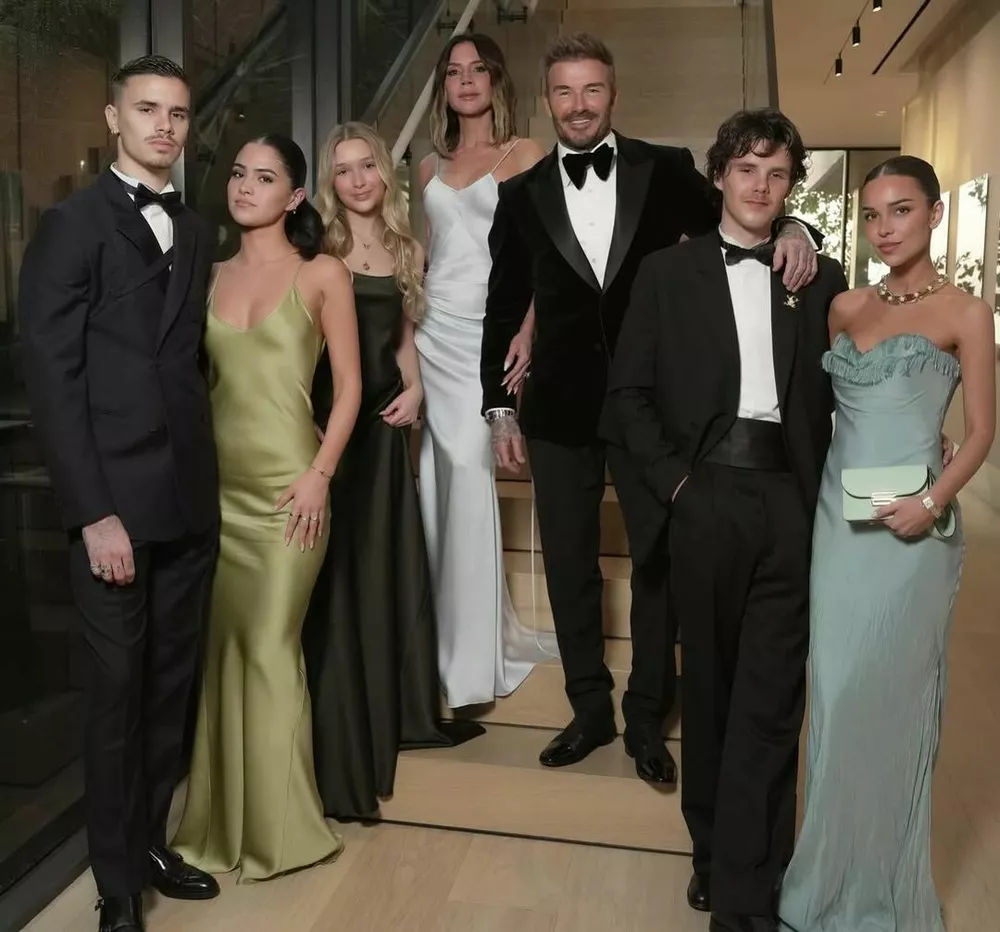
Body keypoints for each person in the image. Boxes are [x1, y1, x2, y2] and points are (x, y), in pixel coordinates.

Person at [481, 33, 819, 789]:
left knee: (658, 562)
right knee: (569, 563)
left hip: (654, 408)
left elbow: (743, 217)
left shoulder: (664, 169)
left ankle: (646, 716)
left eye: (592, 89)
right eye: (564, 91)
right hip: (559, 407)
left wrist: (797, 227)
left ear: (613, 92)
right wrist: (497, 407)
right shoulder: (519, 194)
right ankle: (589, 710)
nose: (578, 105)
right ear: (547, 99)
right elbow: (502, 305)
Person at [603, 108, 845, 932]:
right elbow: (628, 395)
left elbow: (863, 371)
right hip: (703, 497)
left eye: (778, 174)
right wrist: (677, 486)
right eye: (746, 169)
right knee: (708, 693)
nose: (761, 186)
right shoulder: (666, 275)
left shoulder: (819, 275)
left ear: (792, 186)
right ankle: (711, 854)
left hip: (789, 500)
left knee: (772, 701)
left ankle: (751, 892)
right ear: (718, 176)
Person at [18, 56, 220, 932]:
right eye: (147, 109)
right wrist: (93, 513)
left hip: (188, 501)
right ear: (113, 119)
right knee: (115, 699)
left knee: (169, 690)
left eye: (177, 113)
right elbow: (52, 379)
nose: (164, 126)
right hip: (112, 509)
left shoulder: (198, 228)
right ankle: (114, 885)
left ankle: (149, 846)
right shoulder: (71, 226)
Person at [777, 157, 995, 932]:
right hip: (841, 526)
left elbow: (982, 433)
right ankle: (822, 885)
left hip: (913, 536)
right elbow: (818, 413)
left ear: (934, 214)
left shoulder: (966, 312)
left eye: (901, 210)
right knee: (835, 699)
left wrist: (931, 500)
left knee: (892, 704)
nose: (884, 228)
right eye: (872, 215)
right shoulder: (843, 307)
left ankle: (882, 895)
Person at [171, 135, 360, 881]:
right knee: (223, 654)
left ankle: (284, 832)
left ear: (295, 196)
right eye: (239, 174)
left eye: (266, 177)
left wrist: (320, 474)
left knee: (270, 647)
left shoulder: (322, 273)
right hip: (216, 495)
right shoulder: (206, 275)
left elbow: (350, 388)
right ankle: (217, 828)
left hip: (290, 492)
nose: (246, 186)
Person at [304, 122, 483, 821]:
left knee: (382, 563)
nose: (357, 180)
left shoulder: (407, 246)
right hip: (328, 426)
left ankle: (394, 701)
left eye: (367, 166)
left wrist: (417, 389)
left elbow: (403, 335)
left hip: (382, 427)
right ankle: (340, 711)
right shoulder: (317, 247)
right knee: (338, 569)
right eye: (343, 169)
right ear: (330, 181)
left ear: (386, 173)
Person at [415, 33, 556, 709]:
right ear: (443, 86)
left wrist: (527, 328)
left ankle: (470, 660)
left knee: (470, 478)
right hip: (430, 332)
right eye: (453, 72)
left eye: (477, 69)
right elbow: (426, 253)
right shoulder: (427, 165)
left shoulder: (525, 154)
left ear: (496, 78)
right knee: (434, 482)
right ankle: (435, 641)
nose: (465, 80)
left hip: (488, 332)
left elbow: (547, 254)